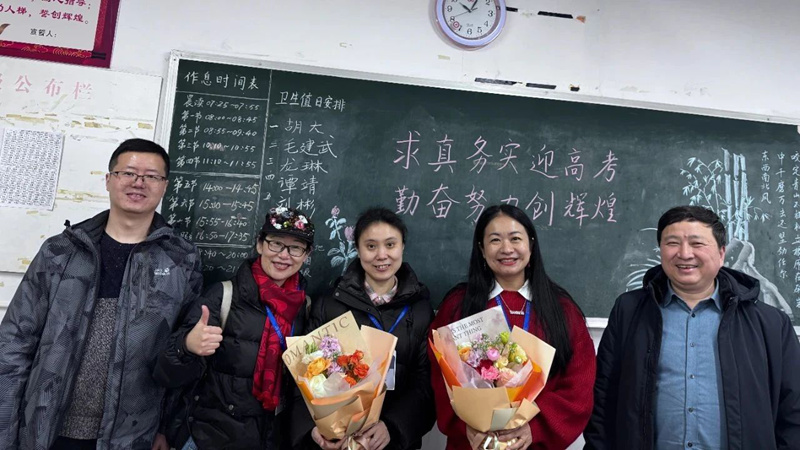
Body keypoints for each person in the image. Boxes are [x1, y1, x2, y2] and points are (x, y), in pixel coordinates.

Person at [0, 138, 203, 450]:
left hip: (131, 436)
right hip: (44, 429)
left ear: (164, 186)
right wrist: (6, 430)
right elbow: (14, 344)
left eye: (152, 176)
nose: (139, 182)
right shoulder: (60, 251)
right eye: (128, 173)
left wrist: (166, 428)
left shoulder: (181, 260)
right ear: (108, 180)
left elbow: (180, 351)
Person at [583, 205, 800, 450]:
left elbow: (793, 411)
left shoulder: (770, 323)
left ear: (721, 253)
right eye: (672, 243)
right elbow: (603, 399)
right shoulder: (629, 312)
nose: (685, 254)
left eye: (697, 243)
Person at [430, 204, 596, 450]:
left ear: (531, 245)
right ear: (481, 249)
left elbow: (578, 386)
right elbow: (437, 378)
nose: (506, 249)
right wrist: (465, 426)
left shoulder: (562, 310)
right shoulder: (457, 306)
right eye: (495, 240)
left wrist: (534, 428)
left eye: (515, 238)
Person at [154, 207, 315, 450]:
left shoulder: (305, 307)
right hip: (210, 438)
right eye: (275, 244)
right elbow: (166, 373)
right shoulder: (223, 296)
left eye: (296, 248)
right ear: (260, 244)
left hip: (271, 440)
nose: (284, 255)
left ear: (306, 255)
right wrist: (185, 346)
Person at [291, 207, 436, 450]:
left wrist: (392, 427)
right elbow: (301, 373)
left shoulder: (420, 309)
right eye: (371, 246)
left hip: (392, 443)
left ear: (402, 247)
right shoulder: (329, 304)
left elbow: (425, 384)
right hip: (336, 440)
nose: (382, 255)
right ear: (357, 250)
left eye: (390, 245)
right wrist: (316, 429)